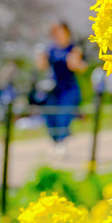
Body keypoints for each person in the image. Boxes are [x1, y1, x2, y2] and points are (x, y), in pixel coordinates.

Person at [36, 21, 86, 156]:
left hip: (69, 88)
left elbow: (81, 67)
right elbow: (42, 66)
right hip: (53, 88)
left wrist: (75, 60)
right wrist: (40, 57)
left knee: (64, 115)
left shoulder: (74, 47)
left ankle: (62, 142)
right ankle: (54, 141)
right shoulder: (50, 49)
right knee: (50, 115)